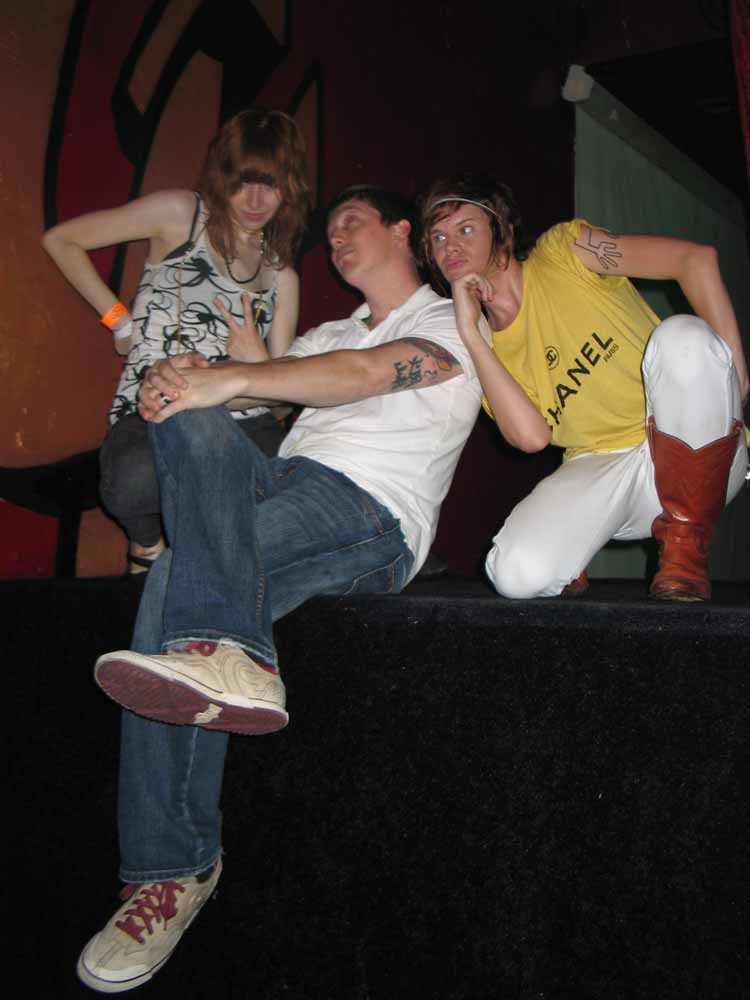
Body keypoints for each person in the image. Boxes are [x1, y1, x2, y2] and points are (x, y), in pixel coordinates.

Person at [75, 185, 485, 993]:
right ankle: (231, 652)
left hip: (369, 508)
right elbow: (263, 386)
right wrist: (182, 377)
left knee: (176, 571)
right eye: (330, 231)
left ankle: (173, 870)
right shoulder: (329, 330)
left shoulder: (449, 322)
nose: (337, 239)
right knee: (186, 413)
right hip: (283, 478)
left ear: (402, 231)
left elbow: (363, 375)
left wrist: (236, 376)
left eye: (353, 223)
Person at [420, 172, 748, 602]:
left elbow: (694, 259)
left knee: (684, 338)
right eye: (439, 238)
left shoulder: (565, 250)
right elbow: (532, 438)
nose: (451, 247)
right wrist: (471, 333)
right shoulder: (484, 348)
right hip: (605, 469)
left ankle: (685, 543)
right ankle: (573, 549)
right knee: (515, 574)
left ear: (502, 228)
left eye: (465, 229)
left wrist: (734, 374)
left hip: (698, 456)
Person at [42, 108, 310, 572]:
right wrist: (120, 323)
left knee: (294, 504)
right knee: (133, 481)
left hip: (241, 422)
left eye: (269, 184)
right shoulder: (182, 215)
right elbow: (62, 240)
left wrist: (261, 365)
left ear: (289, 188)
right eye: (243, 182)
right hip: (156, 408)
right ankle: (146, 547)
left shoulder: (280, 273)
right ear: (222, 177)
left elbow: (283, 403)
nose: (255, 199)